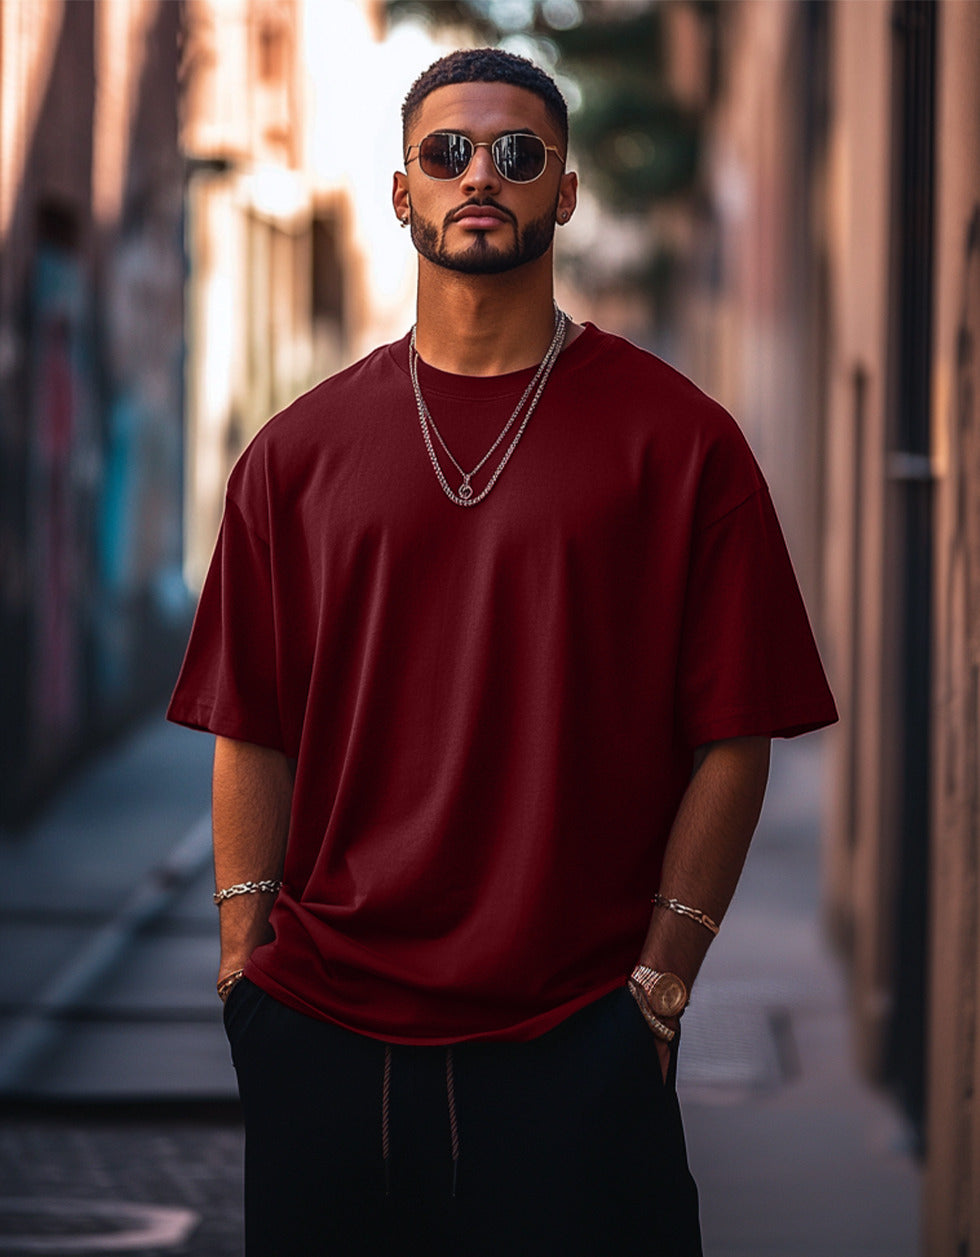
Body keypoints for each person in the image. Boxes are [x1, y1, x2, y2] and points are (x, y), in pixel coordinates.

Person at [168, 47, 837, 1257]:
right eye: (450, 153)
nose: (484, 176)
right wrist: (240, 969)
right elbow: (249, 723)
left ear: (565, 193)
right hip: (324, 1034)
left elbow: (732, 738)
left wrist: (659, 988)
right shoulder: (294, 456)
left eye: (518, 155)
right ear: (402, 191)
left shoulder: (680, 444)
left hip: (573, 1042)